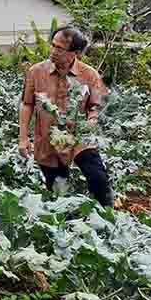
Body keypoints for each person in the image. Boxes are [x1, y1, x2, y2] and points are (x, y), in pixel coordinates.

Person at [18, 25, 114, 207]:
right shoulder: (36, 71)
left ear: (75, 53)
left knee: (98, 178)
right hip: (48, 139)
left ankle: (109, 220)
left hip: (79, 138)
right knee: (57, 191)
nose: (53, 51)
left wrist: (92, 119)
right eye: (53, 45)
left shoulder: (89, 74)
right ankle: (67, 226)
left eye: (59, 48)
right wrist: (23, 138)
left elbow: (97, 106)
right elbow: (27, 104)